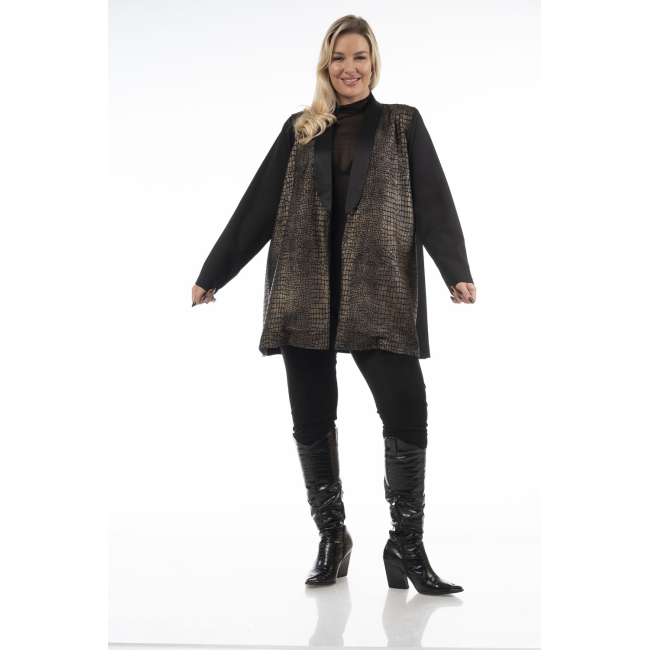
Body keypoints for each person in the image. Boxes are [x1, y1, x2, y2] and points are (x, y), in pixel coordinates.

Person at [192, 15, 476, 595]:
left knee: (406, 411)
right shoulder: (301, 129)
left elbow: (433, 199)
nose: (350, 68)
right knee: (312, 416)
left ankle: (406, 546)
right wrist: (214, 274)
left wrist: (456, 270)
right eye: (339, 58)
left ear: (374, 63)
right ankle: (332, 536)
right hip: (305, 288)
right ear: (326, 65)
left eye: (359, 57)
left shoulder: (402, 123)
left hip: (380, 288)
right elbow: (259, 205)